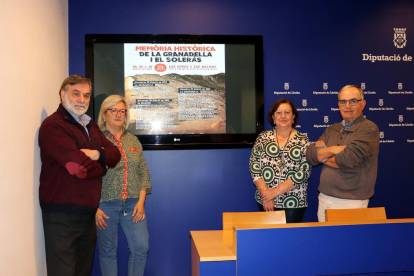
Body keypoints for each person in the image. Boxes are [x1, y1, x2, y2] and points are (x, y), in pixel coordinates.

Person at [39, 75, 121, 276]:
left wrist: (96, 154)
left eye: (86, 95)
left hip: (87, 214)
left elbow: (115, 154)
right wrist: (103, 167)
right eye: (76, 94)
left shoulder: (91, 126)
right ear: (62, 94)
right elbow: (77, 167)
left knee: (83, 272)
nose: (82, 100)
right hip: (61, 215)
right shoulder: (53, 125)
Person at [95, 95, 152, 276]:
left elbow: (143, 172)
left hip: (133, 204)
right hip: (105, 206)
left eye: (122, 111)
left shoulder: (133, 140)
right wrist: (94, 208)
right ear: (104, 114)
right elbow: (86, 176)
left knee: (141, 247)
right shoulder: (94, 141)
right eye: (114, 110)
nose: (118, 114)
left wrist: (141, 202)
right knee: (108, 252)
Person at [306, 85, 380, 222]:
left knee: (348, 243)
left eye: (353, 101)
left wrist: (322, 155)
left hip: (352, 202)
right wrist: (333, 150)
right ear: (338, 105)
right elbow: (310, 155)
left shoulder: (368, 129)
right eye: (342, 102)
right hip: (324, 198)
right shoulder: (332, 128)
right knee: (326, 241)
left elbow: (347, 160)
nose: (347, 106)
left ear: (362, 104)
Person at [249, 98, 311, 223]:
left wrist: (273, 193)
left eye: (287, 112)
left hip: (293, 201)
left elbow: (304, 173)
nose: (283, 116)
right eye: (278, 113)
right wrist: (266, 194)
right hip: (265, 200)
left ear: (293, 116)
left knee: (289, 239)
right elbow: (254, 166)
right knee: (268, 238)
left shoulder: (303, 140)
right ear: (273, 117)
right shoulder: (263, 137)